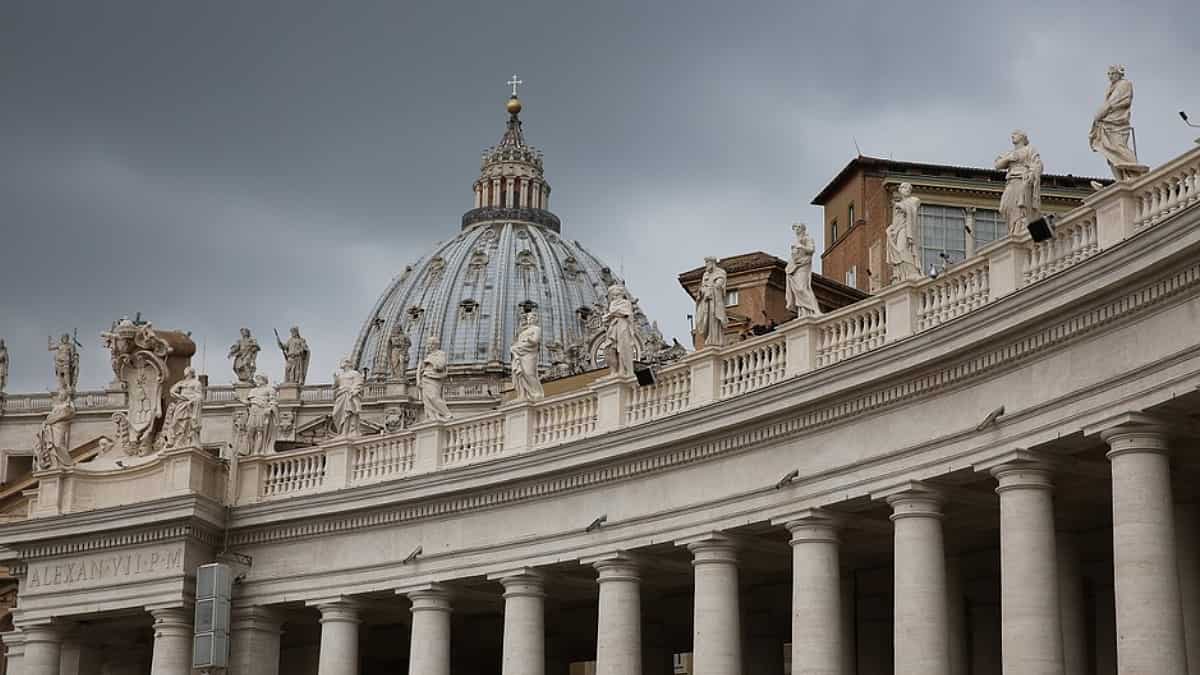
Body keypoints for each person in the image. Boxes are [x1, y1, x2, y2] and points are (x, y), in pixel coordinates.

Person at [1089, 65, 1139, 179]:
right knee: (1109, 152)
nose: (1110, 76)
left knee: (1118, 147)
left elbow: (1122, 101)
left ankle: (1136, 173)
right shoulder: (1111, 87)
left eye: (1113, 73)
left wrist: (1106, 110)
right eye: (1109, 74)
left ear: (1119, 74)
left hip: (1118, 121)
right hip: (1108, 121)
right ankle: (1120, 179)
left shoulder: (1125, 84)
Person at [995, 130, 1043, 236]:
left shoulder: (1029, 149)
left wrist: (1031, 174)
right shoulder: (1010, 153)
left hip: (1022, 180)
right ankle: (1013, 228)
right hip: (1011, 181)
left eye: (1016, 134)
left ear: (1022, 137)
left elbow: (1038, 164)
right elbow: (997, 165)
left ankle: (1018, 229)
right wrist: (1008, 159)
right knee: (1004, 207)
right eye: (1012, 134)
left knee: (1020, 207)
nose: (1012, 135)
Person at [887, 183, 923, 283]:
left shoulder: (914, 200)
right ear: (900, 190)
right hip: (897, 230)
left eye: (909, 188)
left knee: (902, 249)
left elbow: (912, 210)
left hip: (906, 229)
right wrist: (891, 229)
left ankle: (911, 272)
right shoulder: (897, 204)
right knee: (898, 251)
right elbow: (896, 220)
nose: (907, 190)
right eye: (905, 187)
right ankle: (900, 274)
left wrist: (901, 206)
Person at [785, 223, 822, 318]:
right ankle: (803, 313)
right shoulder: (796, 240)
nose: (796, 229)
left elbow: (811, 250)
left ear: (803, 229)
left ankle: (816, 310)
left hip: (803, 265)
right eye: (795, 228)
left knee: (802, 288)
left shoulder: (808, 238)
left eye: (798, 227)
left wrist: (801, 246)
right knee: (797, 291)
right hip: (794, 267)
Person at [162, 367, 204, 450]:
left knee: (186, 423)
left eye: (187, 371)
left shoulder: (196, 383)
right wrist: (180, 395)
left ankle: (183, 442)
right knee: (175, 422)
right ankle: (175, 441)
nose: (185, 373)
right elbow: (172, 391)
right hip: (180, 404)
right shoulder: (181, 382)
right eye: (185, 371)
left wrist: (191, 400)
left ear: (191, 373)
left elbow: (199, 396)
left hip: (189, 405)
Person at [33, 391, 75, 470]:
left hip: (60, 426)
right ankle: (55, 463)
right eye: (60, 395)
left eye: (62, 394)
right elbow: (50, 417)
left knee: (58, 444)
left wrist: (51, 420)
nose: (60, 396)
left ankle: (67, 463)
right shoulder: (56, 406)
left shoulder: (68, 405)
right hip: (53, 427)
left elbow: (66, 414)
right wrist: (48, 422)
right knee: (53, 446)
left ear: (66, 396)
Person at [694, 257, 728, 348]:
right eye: (705, 264)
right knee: (706, 320)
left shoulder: (720, 272)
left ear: (712, 263)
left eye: (707, 263)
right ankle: (709, 338)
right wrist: (702, 292)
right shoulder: (705, 275)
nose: (706, 266)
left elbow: (719, 285)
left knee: (714, 319)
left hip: (714, 301)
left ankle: (715, 340)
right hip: (706, 302)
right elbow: (702, 287)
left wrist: (711, 290)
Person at [603, 284, 637, 377]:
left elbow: (625, 313)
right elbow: (611, 315)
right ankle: (614, 371)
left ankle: (623, 370)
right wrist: (612, 315)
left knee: (622, 348)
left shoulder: (626, 303)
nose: (612, 297)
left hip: (622, 326)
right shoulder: (612, 304)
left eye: (614, 294)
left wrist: (611, 314)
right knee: (609, 349)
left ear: (620, 294)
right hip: (613, 327)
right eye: (611, 295)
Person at [511, 311, 545, 401]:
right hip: (520, 352)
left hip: (529, 353)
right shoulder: (523, 330)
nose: (530, 320)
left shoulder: (536, 329)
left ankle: (536, 393)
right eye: (528, 318)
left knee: (529, 373)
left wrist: (529, 339)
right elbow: (517, 341)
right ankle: (523, 395)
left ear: (536, 320)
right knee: (521, 374)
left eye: (532, 318)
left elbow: (535, 341)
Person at [418, 337, 453, 422]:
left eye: (430, 344)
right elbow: (421, 369)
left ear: (435, 345)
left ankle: (447, 414)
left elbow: (440, 366)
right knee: (427, 400)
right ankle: (431, 417)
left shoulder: (441, 354)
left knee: (433, 397)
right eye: (428, 344)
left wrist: (430, 361)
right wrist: (419, 379)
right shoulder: (428, 356)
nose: (428, 346)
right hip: (426, 378)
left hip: (434, 379)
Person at [245, 374, 279, 455]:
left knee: (260, 432)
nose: (257, 381)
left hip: (262, 412)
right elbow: (248, 402)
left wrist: (269, 409)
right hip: (253, 412)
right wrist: (240, 400)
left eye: (258, 379)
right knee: (249, 433)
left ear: (264, 380)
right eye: (256, 379)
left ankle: (257, 452)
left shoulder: (270, 389)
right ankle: (251, 451)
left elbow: (273, 402)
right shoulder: (253, 390)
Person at [331, 358, 365, 436]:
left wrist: (354, 391)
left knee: (348, 413)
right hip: (341, 395)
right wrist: (335, 379)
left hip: (349, 395)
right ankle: (341, 431)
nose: (341, 363)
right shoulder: (340, 375)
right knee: (335, 413)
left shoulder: (355, 373)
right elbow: (334, 387)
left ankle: (345, 432)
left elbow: (359, 383)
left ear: (348, 363)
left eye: (343, 362)